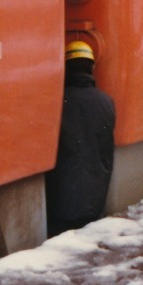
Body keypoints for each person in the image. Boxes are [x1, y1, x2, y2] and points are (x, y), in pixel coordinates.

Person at [46, 41, 116, 236]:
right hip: (95, 199)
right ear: (91, 67)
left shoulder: (58, 102)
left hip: (61, 203)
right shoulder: (106, 102)